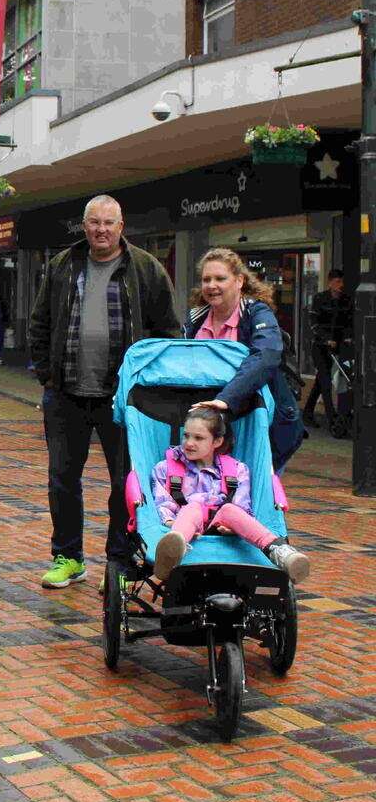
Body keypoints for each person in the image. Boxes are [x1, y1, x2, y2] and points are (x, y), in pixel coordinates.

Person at [28, 195, 179, 589]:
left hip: (124, 399)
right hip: (66, 395)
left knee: (124, 483)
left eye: (109, 223)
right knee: (62, 479)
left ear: (121, 226)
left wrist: (147, 386)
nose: (101, 230)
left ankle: (120, 561)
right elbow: (39, 321)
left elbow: (168, 331)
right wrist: (46, 373)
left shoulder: (145, 268)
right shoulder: (63, 265)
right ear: (84, 225)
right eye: (94, 222)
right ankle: (68, 557)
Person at [150, 407, 310, 584]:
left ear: (217, 442)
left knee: (230, 509)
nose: (189, 443)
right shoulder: (165, 468)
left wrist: (234, 527)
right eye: (186, 435)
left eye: (198, 438)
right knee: (192, 507)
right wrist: (173, 522)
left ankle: (280, 552)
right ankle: (173, 550)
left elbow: (242, 505)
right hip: (184, 523)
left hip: (224, 522)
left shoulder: (237, 470)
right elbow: (163, 503)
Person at [184, 248, 305, 472]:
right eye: (206, 279)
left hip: (259, 425)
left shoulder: (257, 313)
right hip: (211, 430)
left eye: (220, 278)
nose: (212, 285)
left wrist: (226, 399)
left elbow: (266, 356)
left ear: (239, 281)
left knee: (254, 498)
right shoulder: (195, 319)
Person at [302, 268, 351, 427]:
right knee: (324, 379)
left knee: (320, 381)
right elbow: (313, 322)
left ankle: (307, 412)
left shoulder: (346, 300)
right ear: (330, 283)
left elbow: (349, 322)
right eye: (337, 282)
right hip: (320, 346)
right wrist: (326, 338)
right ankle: (332, 418)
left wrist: (348, 337)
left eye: (342, 282)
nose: (340, 285)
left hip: (338, 346)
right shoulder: (320, 299)